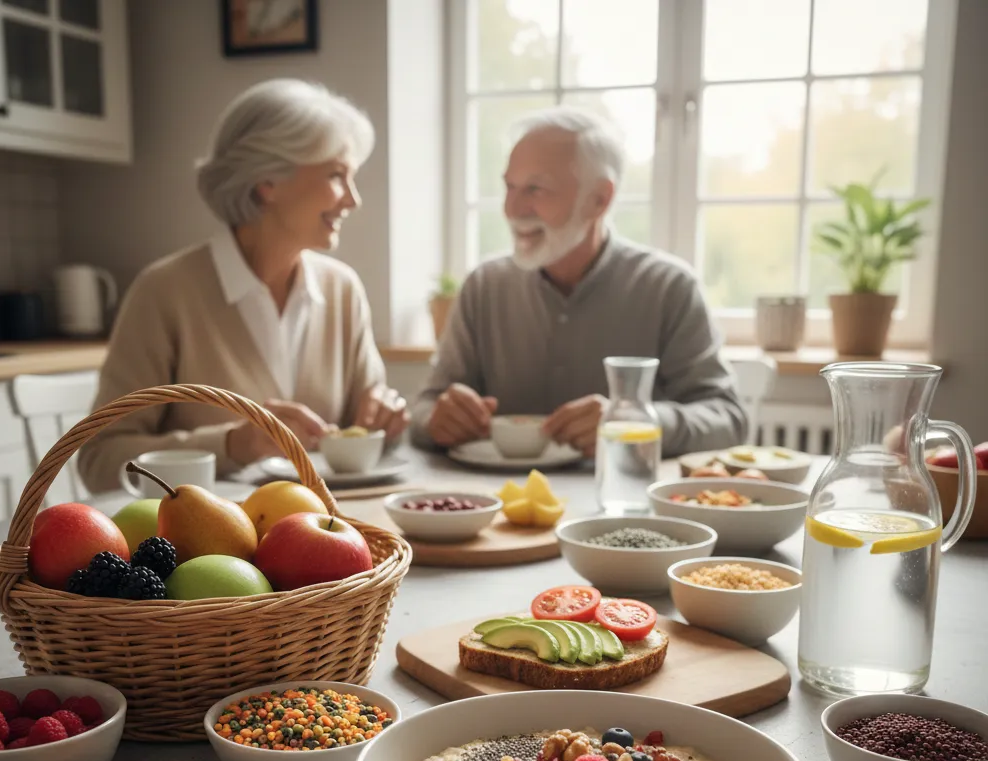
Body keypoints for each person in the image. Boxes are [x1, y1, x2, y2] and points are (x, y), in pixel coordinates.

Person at [78, 79, 408, 494]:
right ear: (267, 181)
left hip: (327, 541)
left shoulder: (343, 290)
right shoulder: (164, 293)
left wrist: (386, 417)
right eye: (337, 175)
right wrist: (232, 444)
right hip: (207, 550)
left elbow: (371, 432)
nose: (353, 200)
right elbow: (98, 461)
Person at [411, 107, 746, 458]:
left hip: (619, 504)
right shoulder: (483, 287)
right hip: (496, 507)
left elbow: (729, 419)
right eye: (509, 186)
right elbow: (424, 408)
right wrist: (437, 419)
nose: (512, 208)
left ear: (599, 200)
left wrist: (631, 422)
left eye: (535, 189)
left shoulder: (669, 287)